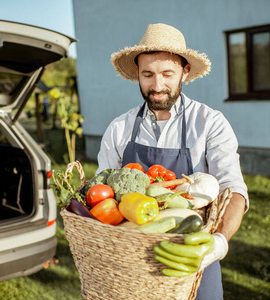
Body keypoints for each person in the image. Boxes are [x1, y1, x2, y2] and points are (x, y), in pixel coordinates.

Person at [96, 23, 248, 299]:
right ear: (137, 76)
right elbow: (102, 198)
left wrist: (218, 244)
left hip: (194, 256)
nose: (157, 86)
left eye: (167, 74)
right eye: (148, 75)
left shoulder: (209, 124)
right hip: (132, 266)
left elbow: (233, 189)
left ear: (185, 72)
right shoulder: (119, 129)